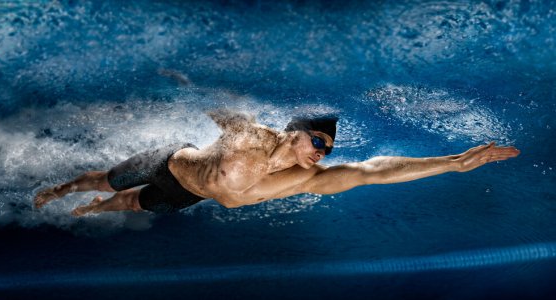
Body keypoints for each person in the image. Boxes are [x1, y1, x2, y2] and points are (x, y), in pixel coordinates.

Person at [33, 110, 520, 216]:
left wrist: (454, 161)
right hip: (169, 165)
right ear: (292, 132)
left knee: (127, 206)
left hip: (189, 195)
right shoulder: (251, 137)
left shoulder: (309, 176)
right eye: (316, 140)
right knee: (104, 178)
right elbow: (222, 110)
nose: (321, 152)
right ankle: (59, 191)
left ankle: (92, 210)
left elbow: (377, 169)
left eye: (327, 147)